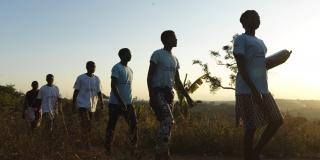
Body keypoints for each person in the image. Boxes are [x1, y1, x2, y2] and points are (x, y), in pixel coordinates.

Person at [233, 10, 290, 160]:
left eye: (258, 17)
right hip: (247, 89)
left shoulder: (261, 42)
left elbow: (260, 66)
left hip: (263, 88)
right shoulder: (241, 40)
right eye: (254, 17)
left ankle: (255, 153)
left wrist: (280, 59)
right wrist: (253, 89)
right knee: (250, 127)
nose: (258, 19)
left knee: (277, 120)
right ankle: (249, 156)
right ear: (244, 22)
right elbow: (241, 66)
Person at [147, 30, 194, 160]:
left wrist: (188, 98)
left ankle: (164, 152)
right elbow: (149, 76)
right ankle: (159, 152)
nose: (176, 39)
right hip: (158, 92)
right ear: (165, 40)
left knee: (166, 123)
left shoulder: (175, 59)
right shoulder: (157, 54)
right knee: (168, 120)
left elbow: (177, 81)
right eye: (173, 37)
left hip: (169, 94)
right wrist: (151, 96)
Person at [105, 48, 138, 155]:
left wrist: (128, 102)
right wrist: (121, 101)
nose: (130, 55)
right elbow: (113, 86)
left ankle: (133, 149)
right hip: (115, 103)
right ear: (122, 55)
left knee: (133, 125)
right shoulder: (116, 68)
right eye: (128, 53)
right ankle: (108, 148)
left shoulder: (130, 70)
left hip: (128, 103)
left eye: (130, 53)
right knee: (112, 126)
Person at [73, 61, 104, 149]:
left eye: (94, 66)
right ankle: (86, 143)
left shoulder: (97, 79)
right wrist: (73, 103)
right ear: (87, 67)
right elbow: (76, 91)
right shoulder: (81, 78)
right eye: (92, 66)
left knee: (88, 124)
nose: (93, 68)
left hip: (92, 106)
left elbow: (99, 91)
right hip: (82, 103)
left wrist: (101, 102)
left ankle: (84, 139)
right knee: (86, 122)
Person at [36, 74, 62, 139]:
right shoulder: (42, 88)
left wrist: (60, 108)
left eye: (52, 78)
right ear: (46, 79)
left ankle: (49, 137)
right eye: (49, 78)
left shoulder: (56, 88)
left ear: (53, 79)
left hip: (54, 110)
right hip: (46, 110)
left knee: (53, 125)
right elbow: (39, 100)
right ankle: (48, 138)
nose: (50, 80)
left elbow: (59, 99)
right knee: (49, 124)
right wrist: (38, 110)